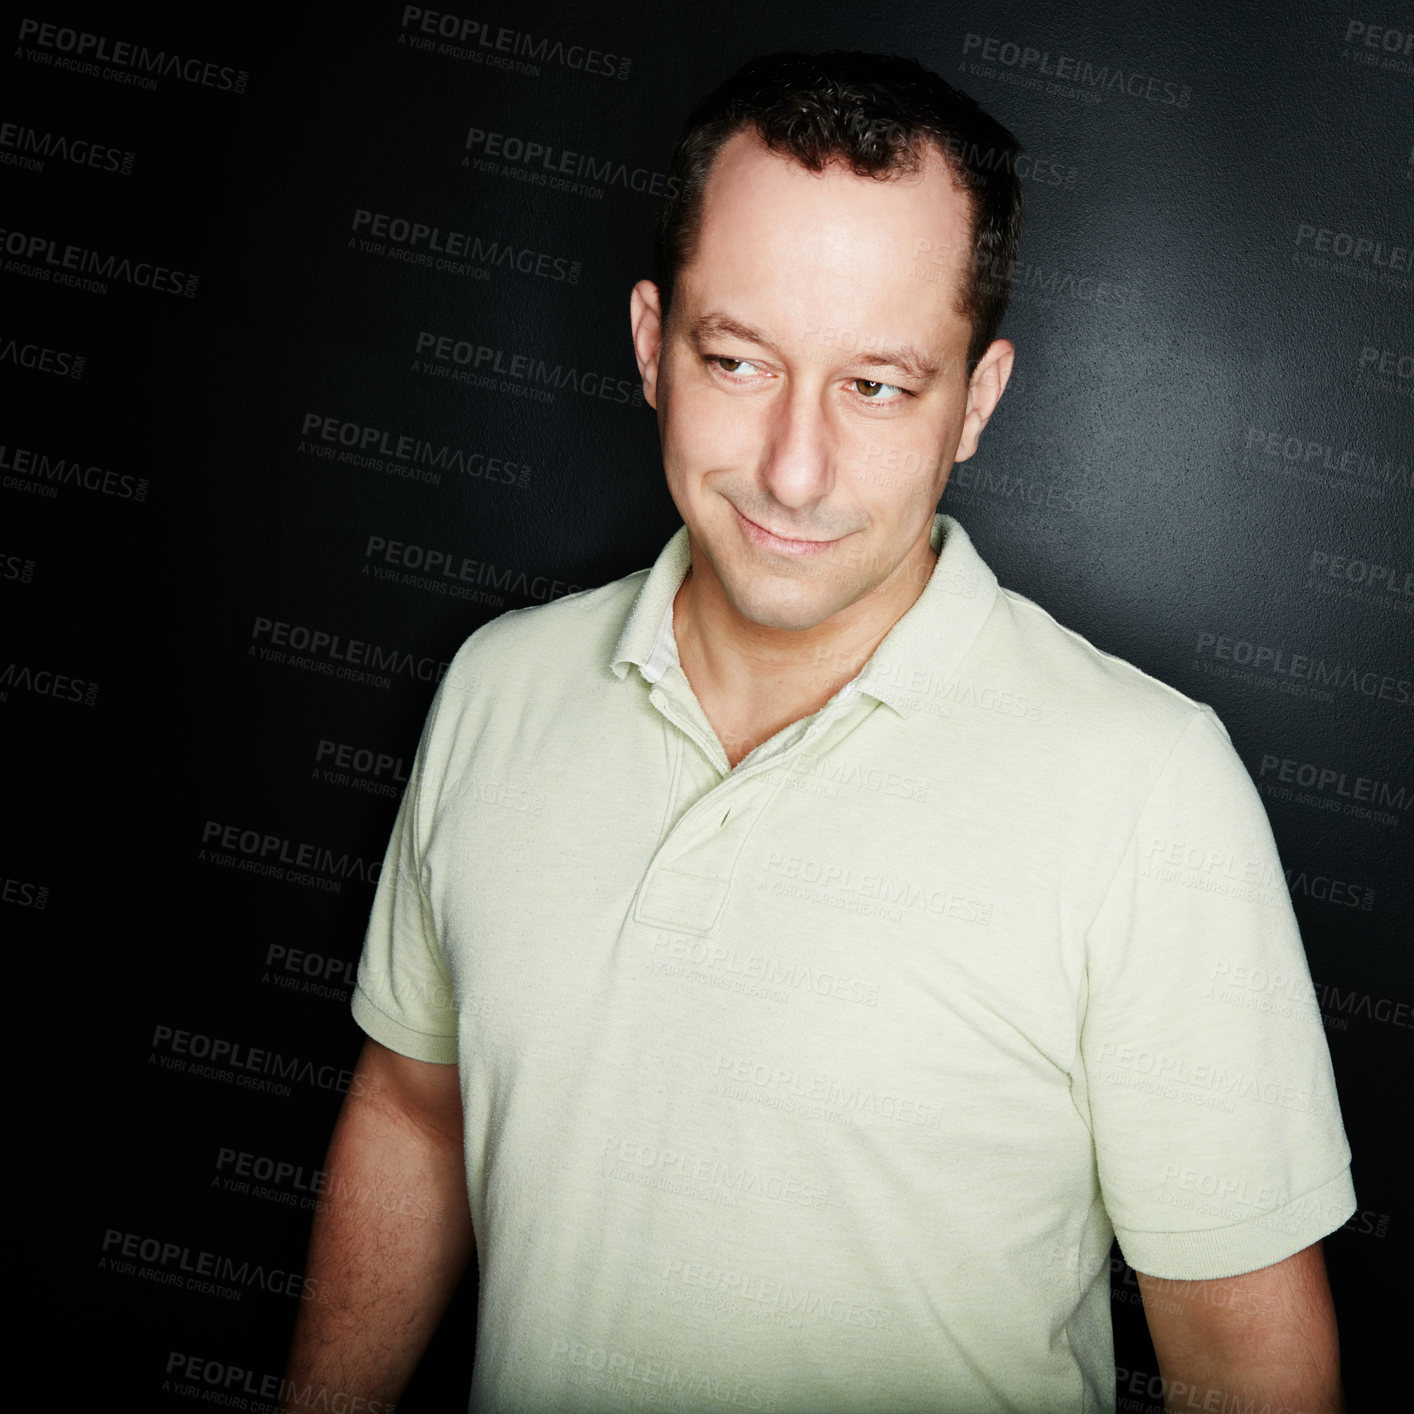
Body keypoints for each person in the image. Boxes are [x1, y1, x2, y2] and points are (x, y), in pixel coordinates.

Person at [283, 51, 1354, 1414]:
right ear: (647, 343)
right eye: (738, 360)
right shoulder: (496, 687)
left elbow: (1243, 1364)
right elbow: (413, 1107)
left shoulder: (1149, 788)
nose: (793, 468)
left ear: (976, 399)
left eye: (877, 387)